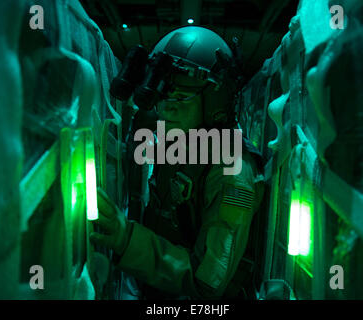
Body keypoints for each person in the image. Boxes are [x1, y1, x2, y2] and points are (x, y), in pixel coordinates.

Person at [90, 26, 265, 299]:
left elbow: (207, 283)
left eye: (181, 96)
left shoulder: (232, 169)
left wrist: (127, 238)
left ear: (214, 100)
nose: (166, 108)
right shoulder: (180, 140)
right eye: (163, 95)